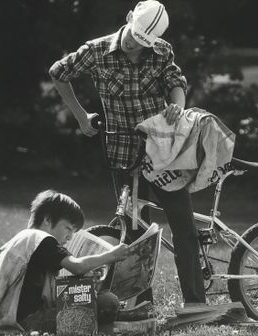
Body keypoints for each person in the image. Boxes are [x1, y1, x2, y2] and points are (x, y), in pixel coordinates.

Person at [49, 0, 206, 307]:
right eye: (134, 37)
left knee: (185, 228)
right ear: (129, 18)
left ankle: (195, 304)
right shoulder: (96, 51)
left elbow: (176, 83)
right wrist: (81, 116)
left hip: (164, 155)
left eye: (143, 43)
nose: (136, 46)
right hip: (123, 155)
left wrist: (178, 105)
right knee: (134, 234)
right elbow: (58, 72)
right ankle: (141, 304)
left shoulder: (161, 51)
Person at [0, 190, 128, 334]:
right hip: (29, 322)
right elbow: (77, 266)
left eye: (73, 232)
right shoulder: (44, 240)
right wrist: (112, 255)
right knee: (108, 301)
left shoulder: (23, 241)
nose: (69, 237)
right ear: (47, 220)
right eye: (68, 228)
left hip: (14, 317)